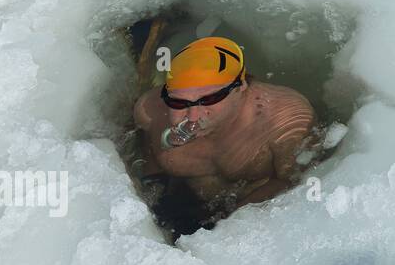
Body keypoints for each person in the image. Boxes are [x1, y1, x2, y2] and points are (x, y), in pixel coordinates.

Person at [132, 36, 318, 223]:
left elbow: (296, 183)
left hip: (256, 219)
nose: (193, 116)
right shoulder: (150, 111)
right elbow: (148, 158)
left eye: (210, 99)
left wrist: (233, 223)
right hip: (183, 204)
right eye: (178, 102)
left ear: (241, 86)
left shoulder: (285, 117)